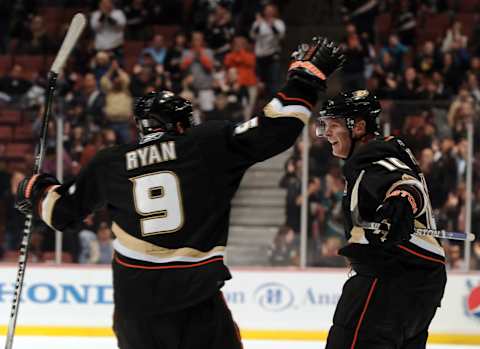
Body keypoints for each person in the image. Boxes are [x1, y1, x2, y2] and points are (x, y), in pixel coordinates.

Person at [15, 36, 344, 349]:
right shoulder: (203, 145)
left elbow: (60, 213)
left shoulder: (110, 162)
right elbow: (274, 129)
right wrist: (305, 78)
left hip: (135, 312)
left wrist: (34, 188)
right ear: (180, 125)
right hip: (194, 303)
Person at [317, 90, 447, 348]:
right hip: (420, 281)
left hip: (389, 278)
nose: (327, 133)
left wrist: (400, 201)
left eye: (334, 125)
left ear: (359, 126)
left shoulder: (375, 158)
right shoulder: (383, 154)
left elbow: (407, 185)